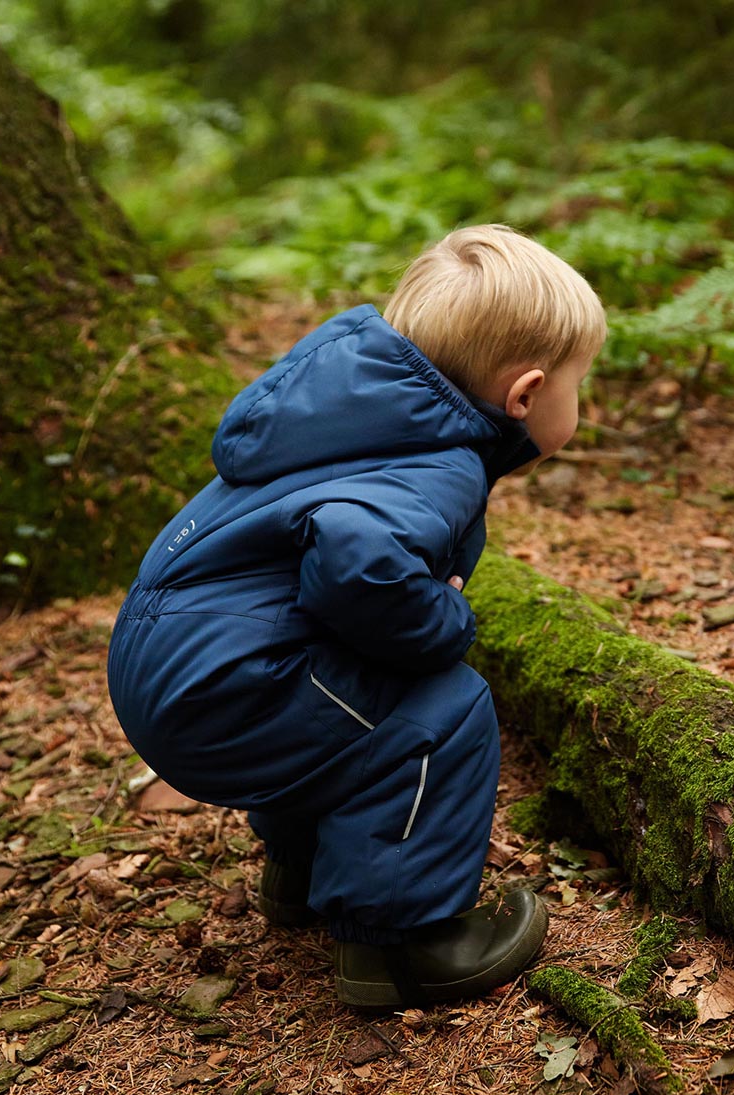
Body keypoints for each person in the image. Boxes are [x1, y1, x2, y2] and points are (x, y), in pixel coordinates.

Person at [106, 224, 606, 1008]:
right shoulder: (438, 465)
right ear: (527, 394)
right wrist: (446, 618)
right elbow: (361, 566)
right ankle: (404, 946)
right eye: (584, 382)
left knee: (348, 697)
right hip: (228, 687)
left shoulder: (350, 421)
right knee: (442, 708)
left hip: (173, 663)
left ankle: (299, 876)